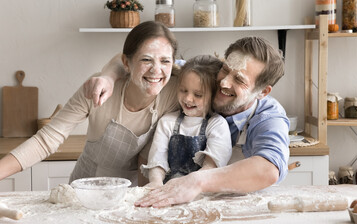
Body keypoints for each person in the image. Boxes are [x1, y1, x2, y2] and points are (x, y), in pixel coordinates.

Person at [83, 36, 290, 207]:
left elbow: (269, 169)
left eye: (239, 80)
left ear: (263, 92)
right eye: (226, 69)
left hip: (232, 208)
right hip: (172, 200)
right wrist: (108, 77)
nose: (224, 82)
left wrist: (197, 181)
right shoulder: (198, 73)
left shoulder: (269, 118)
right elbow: (134, 61)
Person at [0, 21, 180, 186]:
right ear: (127, 63)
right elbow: (46, 141)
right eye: (146, 60)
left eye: (165, 61)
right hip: (86, 189)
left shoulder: (176, 91)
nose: (156, 70)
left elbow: (202, 71)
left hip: (133, 192)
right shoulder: (97, 89)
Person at [141, 55, 232, 189]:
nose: (188, 99)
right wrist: (156, 182)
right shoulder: (167, 122)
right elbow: (157, 160)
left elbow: (210, 167)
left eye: (198, 95)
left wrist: (185, 187)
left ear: (214, 95)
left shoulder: (217, 125)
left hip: (202, 192)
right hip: (168, 190)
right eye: (183, 90)